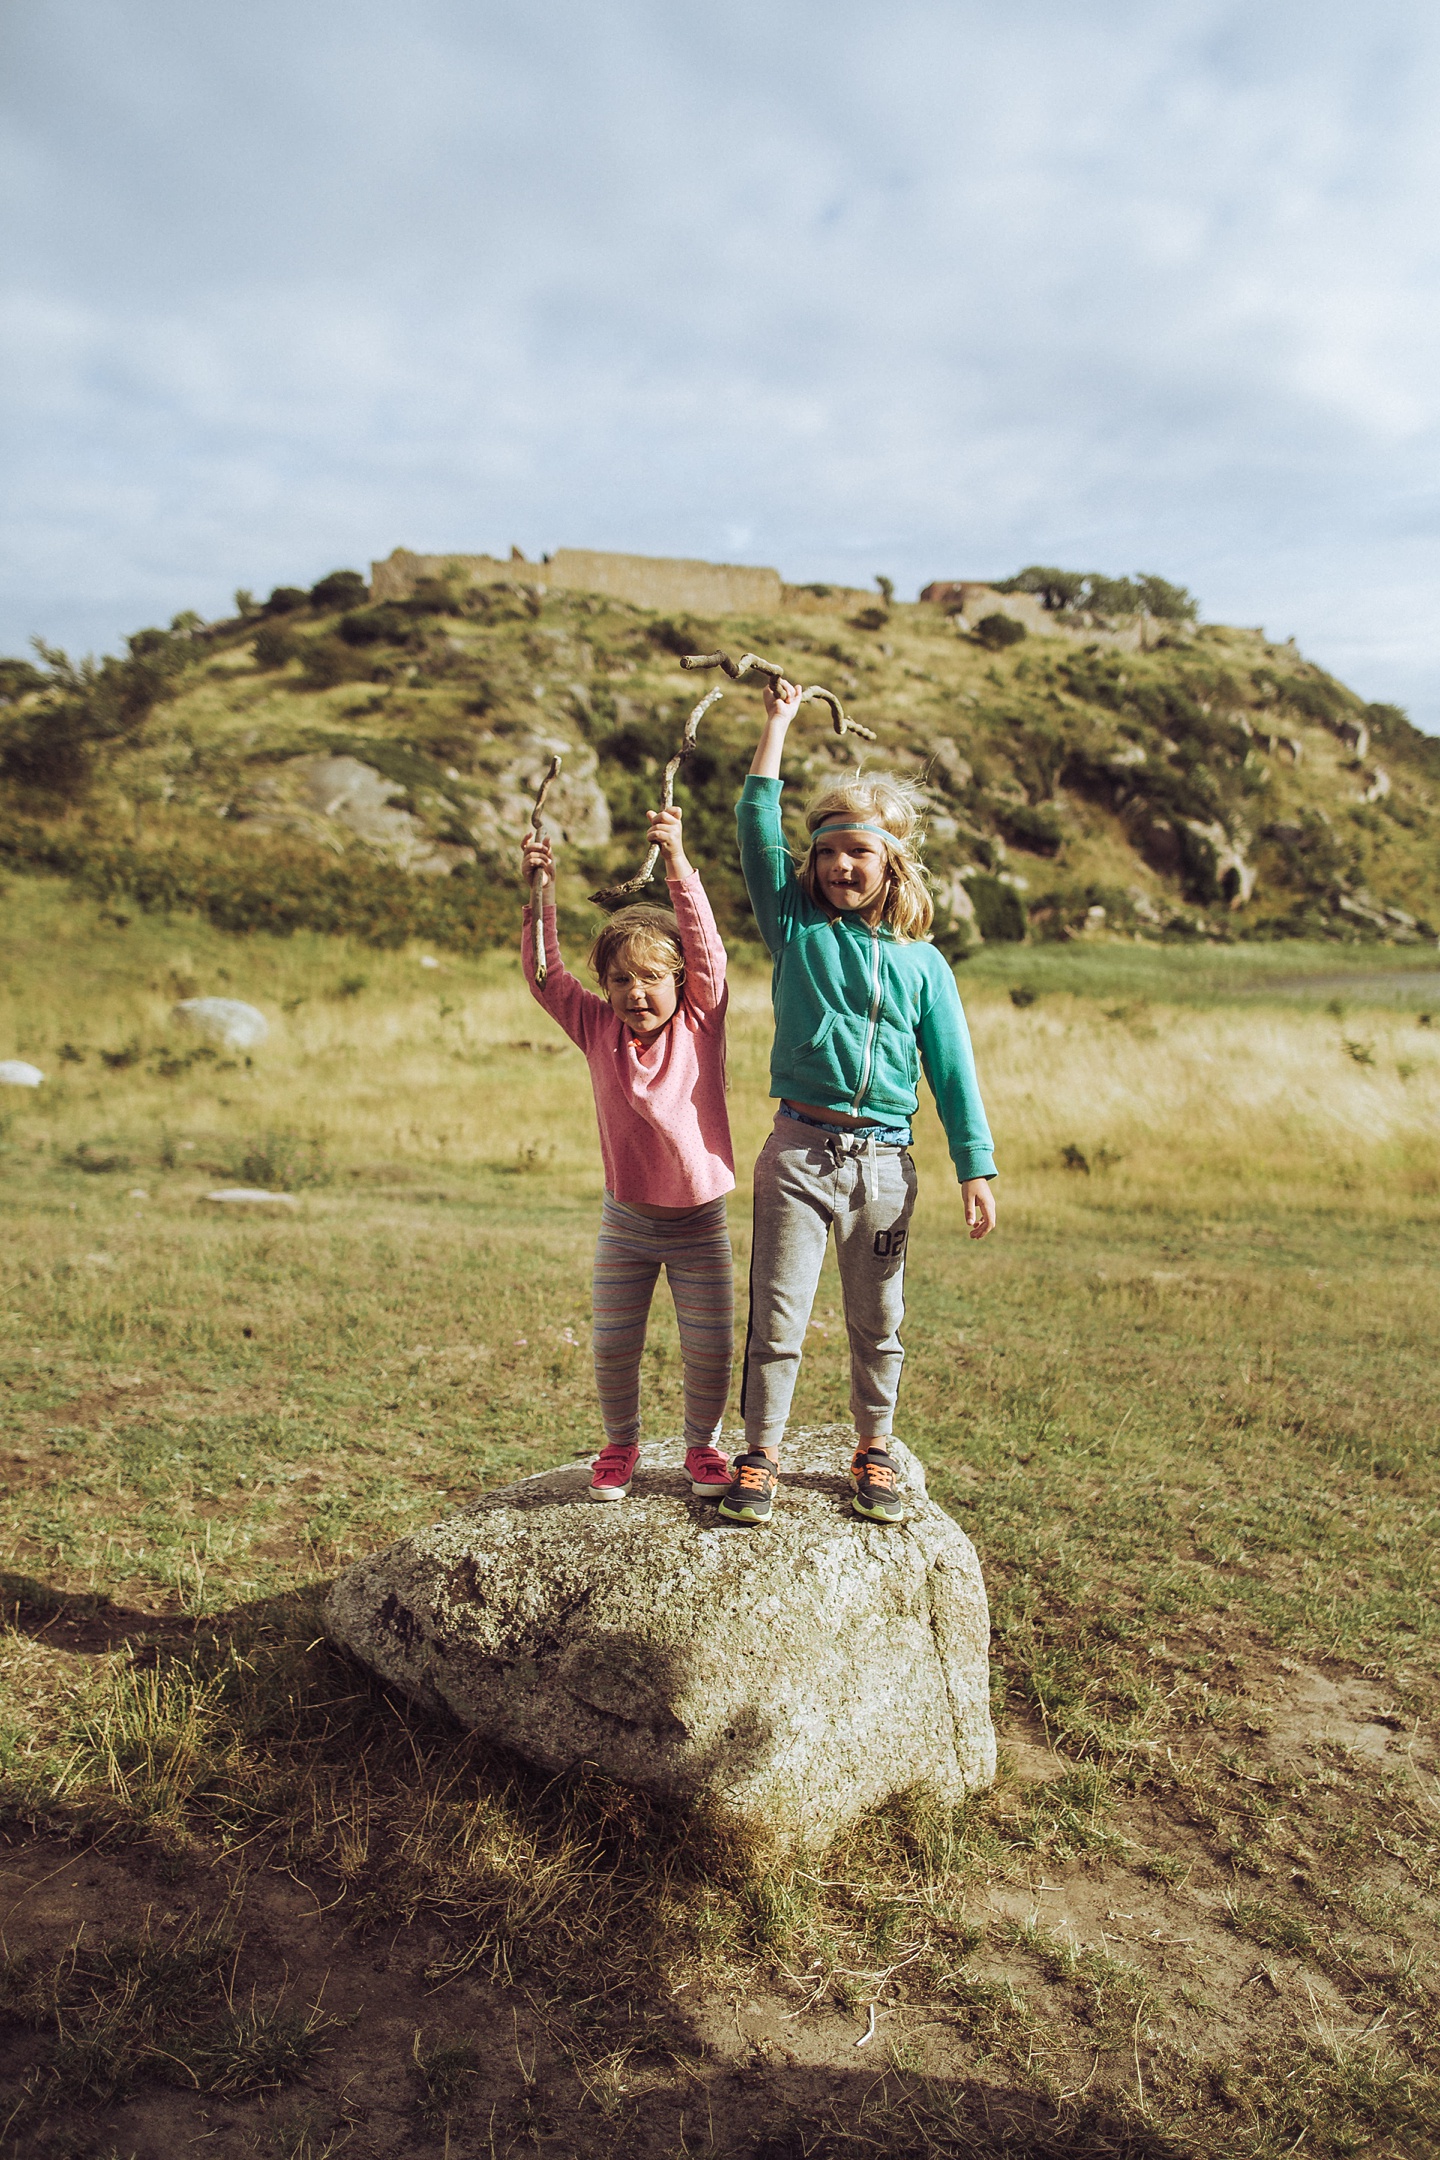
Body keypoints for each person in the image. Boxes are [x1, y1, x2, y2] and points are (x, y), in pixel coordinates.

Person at [720, 678, 997, 1527]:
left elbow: (953, 1070)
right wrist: (777, 722)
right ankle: (760, 1454)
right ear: (814, 864)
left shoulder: (924, 966)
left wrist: (975, 1168)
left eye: (861, 853)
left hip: (884, 1165)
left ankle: (874, 1449)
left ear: (890, 864)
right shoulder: (796, 929)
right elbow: (754, 827)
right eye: (830, 852)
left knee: (879, 1321)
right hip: (799, 1155)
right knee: (778, 1318)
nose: (844, 866)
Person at [521, 804, 736, 1500]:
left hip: (700, 1224)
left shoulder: (701, 1020)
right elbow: (546, 976)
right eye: (619, 980)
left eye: (650, 978)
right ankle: (619, 1447)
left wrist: (676, 860)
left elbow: (707, 947)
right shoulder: (594, 1027)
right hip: (628, 1224)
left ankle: (703, 1446)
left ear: (679, 982)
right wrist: (540, 893)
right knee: (614, 1346)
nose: (634, 992)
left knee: (709, 1350)